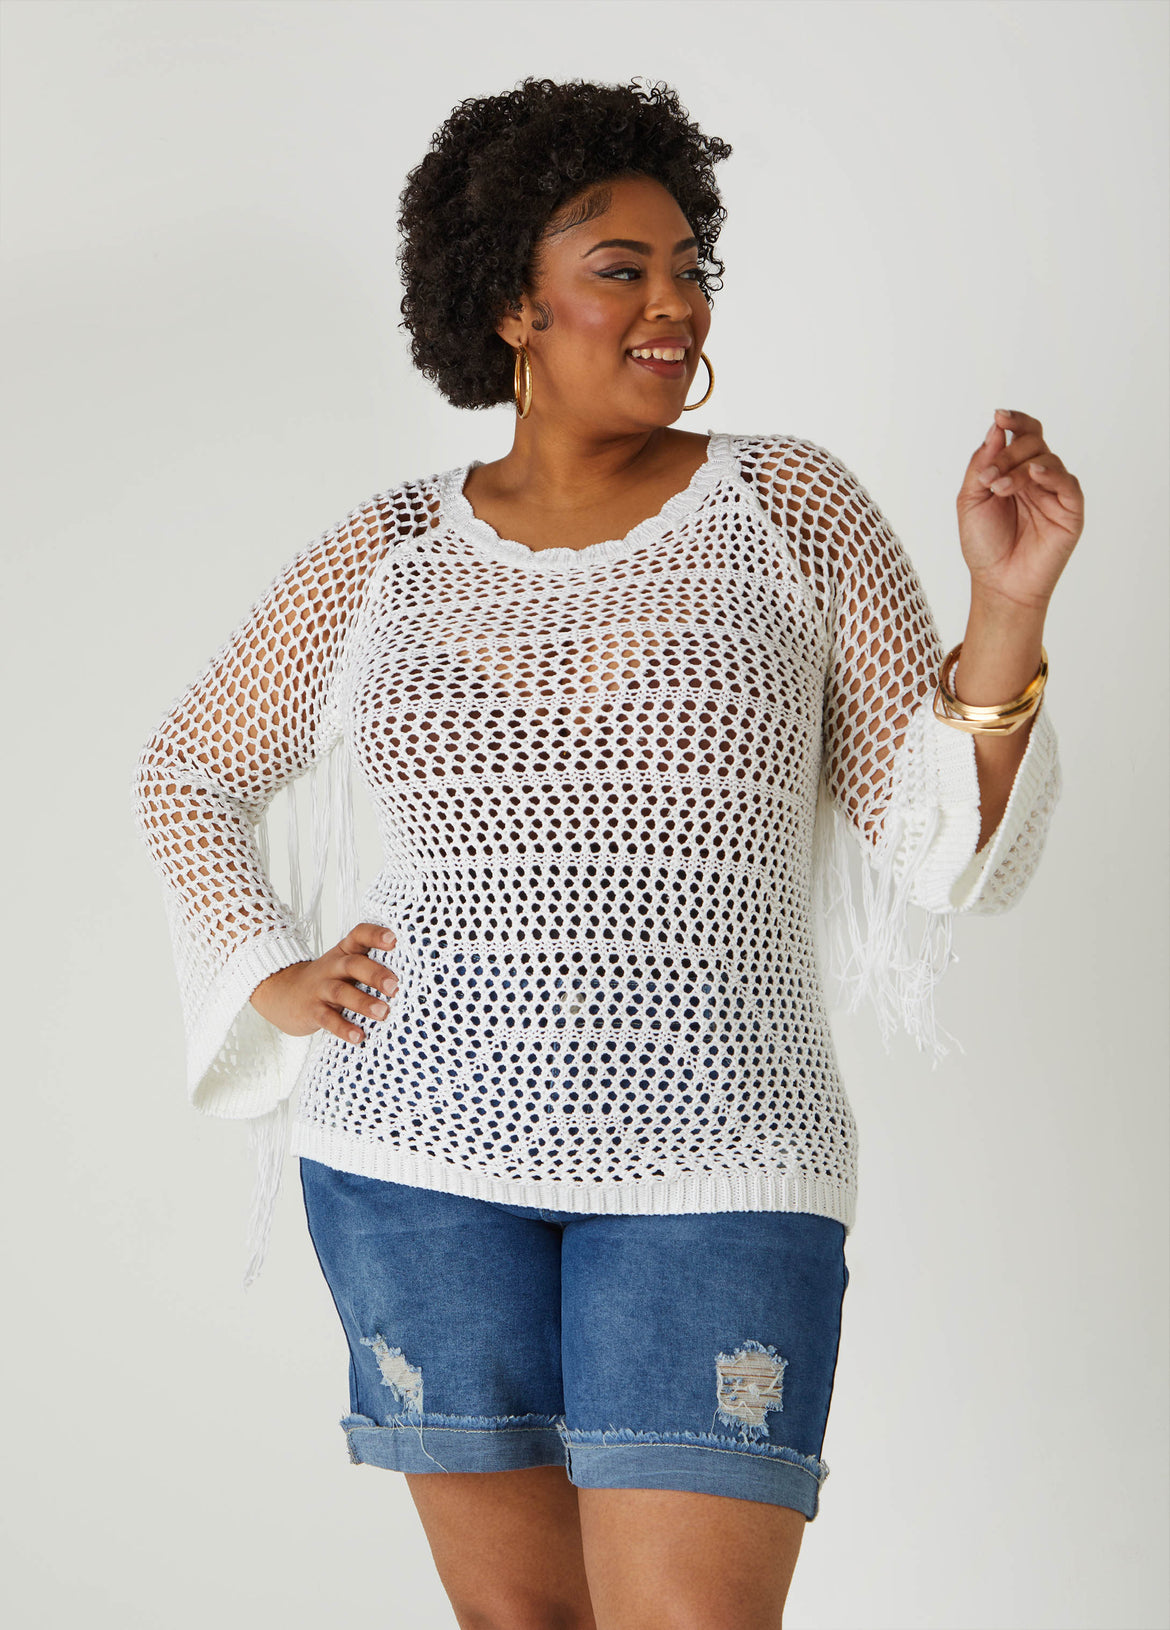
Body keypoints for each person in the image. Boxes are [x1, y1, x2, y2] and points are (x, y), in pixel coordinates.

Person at [132, 76, 1080, 1630]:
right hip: (416, 1157)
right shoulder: (388, 551)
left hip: (721, 1149)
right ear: (511, 301)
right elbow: (188, 768)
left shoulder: (785, 505)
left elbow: (929, 840)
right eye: (619, 267)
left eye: (689, 267)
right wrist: (268, 971)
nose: (673, 303)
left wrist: (1008, 605)